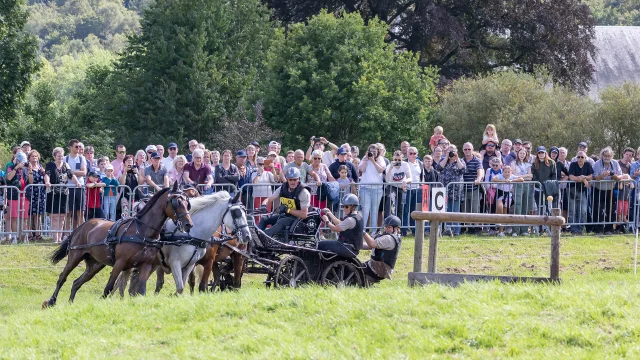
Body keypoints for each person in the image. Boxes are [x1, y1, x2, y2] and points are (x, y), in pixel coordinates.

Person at [258, 167, 311, 237]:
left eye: (295, 179)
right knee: (265, 218)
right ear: (287, 179)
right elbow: (269, 199)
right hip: (286, 215)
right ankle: (257, 234)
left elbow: (304, 214)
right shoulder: (283, 188)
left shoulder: (303, 192)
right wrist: (263, 205)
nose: (292, 182)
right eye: (290, 180)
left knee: (281, 222)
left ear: (299, 179)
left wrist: (287, 210)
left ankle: (264, 236)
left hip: (298, 219)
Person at [44, 147, 79, 243]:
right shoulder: (50, 165)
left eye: (62, 156)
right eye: (59, 156)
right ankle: (55, 238)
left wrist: (77, 183)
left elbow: (71, 175)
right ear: (54, 156)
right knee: (54, 216)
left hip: (64, 193)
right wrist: (47, 182)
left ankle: (60, 238)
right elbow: (47, 174)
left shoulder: (66, 165)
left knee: (62, 216)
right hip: (53, 193)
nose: (61, 158)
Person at [319, 194, 364, 258]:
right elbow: (340, 224)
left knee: (320, 244)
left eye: (346, 207)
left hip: (347, 247)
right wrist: (329, 213)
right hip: (351, 248)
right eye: (343, 206)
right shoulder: (358, 216)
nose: (344, 209)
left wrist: (326, 221)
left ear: (353, 207)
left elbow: (335, 229)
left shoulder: (350, 219)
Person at [362, 215, 402, 284]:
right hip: (377, 266)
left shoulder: (389, 239)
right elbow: (370, 246)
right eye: (385, 227)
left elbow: (372, 244)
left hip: (378, 269)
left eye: (389, 227)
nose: (386, 229)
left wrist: (363, 232)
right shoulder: (392, 238)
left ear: (396, 229)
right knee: (356, 264)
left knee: (352, 267)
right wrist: (356, 246)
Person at [592, 147, 622, 235]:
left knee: (611, 209)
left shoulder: (615, 163)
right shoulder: (597, 163)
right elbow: (594, 177)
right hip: (599, 189)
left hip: (610, 190)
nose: (607, 157)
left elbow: (620, 176)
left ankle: (609, 229)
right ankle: (599, 230)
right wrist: (601, 176)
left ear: (611, 156)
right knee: (598, 210)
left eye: (609, 156)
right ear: (602, 155)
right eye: (605, 155)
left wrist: (615, 177)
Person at [358, 144, 386, 233]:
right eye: (371, 151)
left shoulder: (380, 159)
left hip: (377, 189)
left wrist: (373, 161)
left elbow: (380, 170)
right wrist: (366, 159)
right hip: (365, 188)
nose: (372, 153)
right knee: (365, 210)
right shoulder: (364, 158)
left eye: (375, 151)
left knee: (374, 211)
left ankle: (374, 232)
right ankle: (362, 231)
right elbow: (361, 169)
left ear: (378, 151)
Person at [439, 144, 465, 236]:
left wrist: (457, 159)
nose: (451, 152)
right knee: (446, 210)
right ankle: (447, 230)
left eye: (453, 150)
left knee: (455, 210)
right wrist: (446, 157)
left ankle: (456, 231)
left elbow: (463, 170)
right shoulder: (443, 160)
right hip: (444, 189)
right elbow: (438, 168)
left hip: (456, 190)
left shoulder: (460, 160)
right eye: (449, 150)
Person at [5, 151, 30, 243]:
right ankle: (15, 237)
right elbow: (9, 178)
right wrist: (16, 168)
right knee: (14, 217)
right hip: (14, 195)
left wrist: (30, 170)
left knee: (24, 218)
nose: (23, 163)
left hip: (25, 195)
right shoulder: (10, 167)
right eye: (21, 161)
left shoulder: (26, 169)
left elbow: (30, 182)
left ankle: (23, 237)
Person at [491, 165, 523, 236]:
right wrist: (503, 181)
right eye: (506, 172)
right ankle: (498, 222)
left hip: (508, 194)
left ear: (511, 172)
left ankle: (501, 231)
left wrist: (511, 181)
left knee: (505, 212)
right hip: (500, 193)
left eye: (509, 172)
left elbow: (521, 179)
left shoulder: (512, 176)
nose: (507, 173)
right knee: (499, 208)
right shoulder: (500, 176)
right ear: (503, 172)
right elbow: (493, 179)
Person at [568, 150, 594, 235]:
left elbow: (591, 176)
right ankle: (574, 229)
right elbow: (571, 176)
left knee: (583, 211)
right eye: (578, 157)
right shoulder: (573, 164)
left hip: (583, 191)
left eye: (582, 157)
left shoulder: (588, 164)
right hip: (572, 190)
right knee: (572, 211)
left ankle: (580, 229)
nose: (580, 158)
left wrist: (584, 177)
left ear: (585, 158)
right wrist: (582, 179)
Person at [64, 139, 87, 230]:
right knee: (68, 212)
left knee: (80, 211)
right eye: (76, 146)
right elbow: (65, 172)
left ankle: (83, 233)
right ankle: (66, 234)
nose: (78, 148)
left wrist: (70, 172)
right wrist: (75, 173)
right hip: (68, 187)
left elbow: (84, 172)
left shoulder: (82, 158)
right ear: (70, 147)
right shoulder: (66, 158)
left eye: (79, 146)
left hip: (79, 187)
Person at [385, 151, 412, 222]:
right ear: (393, 159)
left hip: (401, 187)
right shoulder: (389, 166)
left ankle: (398, 226)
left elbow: (410, 178)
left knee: (401, 207)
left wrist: (405, 181)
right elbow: (387, 180)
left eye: (399, 160)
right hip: (392, 186)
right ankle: (387, 224)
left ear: (402, 159)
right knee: (389, 202)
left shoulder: (405, 165)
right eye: (395, 160)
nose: (397, 162)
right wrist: (391, 168)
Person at [511, 148, 533, 236]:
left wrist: (521, 176)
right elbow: (514, 175)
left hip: (527, 186)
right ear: (518, 154)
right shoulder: (513, 163)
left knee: (525, 206)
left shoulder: (528, 164)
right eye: (521, 153)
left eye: (524, 153)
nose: (522, 155)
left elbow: (530, 177)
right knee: (517, 206)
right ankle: (515, 230)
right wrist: (525, 175)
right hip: (517, 186)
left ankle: (524, 230)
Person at [26, 150, 46, 241]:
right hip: (31, 193)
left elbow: (45, 178)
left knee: (38, 214)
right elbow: (30, 181)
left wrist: (44, 172)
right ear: (29, 158)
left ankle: (38, 234)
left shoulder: (40, 167)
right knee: (30, 214)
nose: (34, 158)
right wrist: (30, 170)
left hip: (40, 193)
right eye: (32, 156)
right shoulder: (27, 167)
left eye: (36, 156)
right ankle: (30, 234)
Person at [117, 155, 145, 220]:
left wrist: (138, 173)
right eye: (128, 161)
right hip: (124, 196)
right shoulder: (121, 172)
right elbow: (122, 183)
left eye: (131, 161)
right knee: (125, 213)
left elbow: (141, 182)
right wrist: (125, 172)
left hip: (135, 196)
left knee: (134, 213)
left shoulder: (136, 172)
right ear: (124, 163)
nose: (130, 162)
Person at [251, 157, 277, 222]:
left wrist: (273, 168)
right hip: (257, 196)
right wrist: (259, 173)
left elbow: (276, 180)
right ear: (257, 164)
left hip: (267, 197)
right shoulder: (254, 173)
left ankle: (267, 229)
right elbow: (254, 182)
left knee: (267, 214)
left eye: (263, 164)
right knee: (257, 215)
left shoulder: (268, 173)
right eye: (260, 164)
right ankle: (257, 228)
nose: (261, 166)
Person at [532, 146, 558, 212]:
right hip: (538, 189)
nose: (541, 154)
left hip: (549, 189)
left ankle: (550, 221)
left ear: (545, 153)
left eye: (542, 152)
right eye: (539, 153)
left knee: (549, 207)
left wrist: (548, 184)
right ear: (537, 154)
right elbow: (534, 177)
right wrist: (539, 185)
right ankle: (541, 221)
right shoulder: (534, 164)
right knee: (539, 207)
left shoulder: (551, 162)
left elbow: (554, 175)